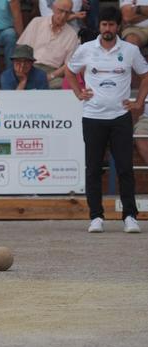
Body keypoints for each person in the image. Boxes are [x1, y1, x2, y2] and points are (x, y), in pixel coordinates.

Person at [65, 6, 148, 233]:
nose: (108, 29)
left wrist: (139, 102)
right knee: (93, 168)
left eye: (112, 24)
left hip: (120, 117)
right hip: (92, 116)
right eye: (104, 25)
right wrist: (78, 92)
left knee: (124, 168)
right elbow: (70, 71)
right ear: (99, 26)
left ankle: (130, 216)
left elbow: (145, 75)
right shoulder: (86, 49)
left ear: (118, 26)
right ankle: (96, 217)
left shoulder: (130, 50)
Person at [17, 0, 79, 89]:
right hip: (30, 67)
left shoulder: (72, 35)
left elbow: (68, 65)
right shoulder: (37, 22)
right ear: (53, 8)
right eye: (61, 11)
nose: (63, 16)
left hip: (52, 72)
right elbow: (22, 48)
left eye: (67, 13)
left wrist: (51, 76)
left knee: (62, 85)